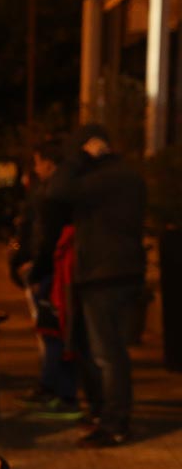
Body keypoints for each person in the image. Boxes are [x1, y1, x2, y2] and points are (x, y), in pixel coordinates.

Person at [48, 124, 146, 447]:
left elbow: (57, 192)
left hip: (104, 274)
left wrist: (77, 159)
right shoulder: (126, 174)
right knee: (108, 351)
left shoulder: (104, 178)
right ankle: (108, 415)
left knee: (108, 354)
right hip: (120, 271)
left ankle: (115, 423)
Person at [18, 141, 80, 418]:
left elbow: (48, 239)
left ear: (49, 163)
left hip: (54, 273)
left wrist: (37, 270)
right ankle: (53, 387)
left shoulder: (55, 194)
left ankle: (59, 391)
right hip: (55, 270)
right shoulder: (57, 189)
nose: (36, 169)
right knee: (54, 332)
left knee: (54, 332)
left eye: (38, 162)